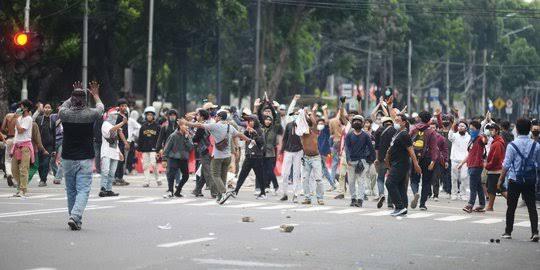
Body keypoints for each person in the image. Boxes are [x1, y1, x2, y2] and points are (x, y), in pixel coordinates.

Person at [181, 111, 254, 204]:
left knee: (215, 175)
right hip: (227, 156)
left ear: (219, 117)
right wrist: (250, 140)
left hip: (218, 156)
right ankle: (220, 197)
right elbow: (239, 134)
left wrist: (186, 123)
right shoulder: (229, 127)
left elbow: (199, 125)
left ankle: (224, 193)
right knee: (223, 177)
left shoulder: (215, 126)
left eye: (216, 116)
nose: (215, 117)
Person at [59, 81, 104, 230]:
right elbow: (101, 108)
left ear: (71, 99)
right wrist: (95, 95)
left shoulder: (64, 114)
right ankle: (75, 216)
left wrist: (74, 93)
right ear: (85, 100)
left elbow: (63, 106)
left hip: (67, 158)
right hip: (85, 157)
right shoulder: (90, 114)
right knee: (83, 189)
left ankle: (74, 217)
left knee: (71, 190)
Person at [498, 118, 539, 242]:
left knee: (511, 206)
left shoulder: (512, 145)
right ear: (529, 129)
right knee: (531, 207)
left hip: (515, 180)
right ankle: (534, 232)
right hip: (530, 180)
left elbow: (506, 165)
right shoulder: (536, 145)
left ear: (517, 129)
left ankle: (508, 231)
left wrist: (500, 180)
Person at [385, 114, 422, 216]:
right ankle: (403, 208)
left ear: (404, 123)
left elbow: (411, 150)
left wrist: (416, 164)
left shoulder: (404, 134)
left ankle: (399, 206)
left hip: (401, 164)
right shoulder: (398, 133)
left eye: (398, 121)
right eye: (395, 120)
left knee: (389, 182)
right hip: (395, 163)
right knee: (400, 186)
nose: (395, 122)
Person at [229, 115, 266, 199]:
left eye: (252, 121)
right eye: (249, 121)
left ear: (256, 121)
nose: (250, 123)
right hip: (248, 156)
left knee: (259, 175)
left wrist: (254, 133)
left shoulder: (260, 130)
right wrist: (246, 132)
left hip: (257, 157)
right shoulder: (248, 130)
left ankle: (263, 193)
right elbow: (242, 139)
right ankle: (236, 191)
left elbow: (261, 143)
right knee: (242, 174)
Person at [409, 111, 440, 211]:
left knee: (414, 179)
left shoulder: (413, 128)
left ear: (419, 118)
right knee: (426, 182)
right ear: (429, 120)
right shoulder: (431, 131)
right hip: (427, 159)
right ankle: (422, 204)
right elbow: (434, 148)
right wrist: (433, 161)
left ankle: (415, 193)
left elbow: (408, 142)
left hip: (415, 158)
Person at [345, 115, 375, 207]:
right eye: (355, 121)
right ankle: (353, 199)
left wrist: (370, 160)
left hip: (362, 161)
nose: (356, 122)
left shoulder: (366, 135)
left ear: (362, 123)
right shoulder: (349, 134)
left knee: (361, 181)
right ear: (352, 123)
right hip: (351, 161)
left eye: (359, 121)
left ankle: (360, 200)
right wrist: (348, 159)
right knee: (351, 181)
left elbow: (370, 148)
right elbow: (347, 148)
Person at [298, 105, 326, 205]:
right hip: (306, 158)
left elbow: (314, 122)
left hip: (315, 158)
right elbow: (300, 121)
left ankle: (320, 198)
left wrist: (309, 113)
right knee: (305, 179)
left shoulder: (314, 129)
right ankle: (307, 197)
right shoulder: (301, 131)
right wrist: (303, 114)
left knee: (318, 179)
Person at [460, 120, 488, 213]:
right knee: (479, 186)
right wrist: (462, 163)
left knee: (473, 187)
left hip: (477, 166)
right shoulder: (472, 139)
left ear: (477, 130)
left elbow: (485, 140)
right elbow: (469, 154)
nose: (471, 130)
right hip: (471, 165)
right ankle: (482, 205)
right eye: (470, 129)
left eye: (473, 129)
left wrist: (484, 135)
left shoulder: (480, 138)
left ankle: (470, 205)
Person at [162, 120, 193, 198]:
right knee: (171, 175)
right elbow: (167, 147)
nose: (186, 127)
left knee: (186, 176)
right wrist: (164, 159)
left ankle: (178, 191)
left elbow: (190, 147)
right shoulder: (173, 135)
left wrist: (186, 138)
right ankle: (170, 191)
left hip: (183, 158)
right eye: (184, 125)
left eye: (187, 125)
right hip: (173, 158)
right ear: (179, 126)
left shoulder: (188, 136)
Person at [99, 109, 126, 197]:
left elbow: (115, 141)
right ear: (109, 115)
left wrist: (120, 152)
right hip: (106, 151)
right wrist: (122, 123)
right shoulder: (105, 124)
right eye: (114, 115)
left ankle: (109, 189)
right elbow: (110, 131)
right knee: (105, 171)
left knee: (112, 172)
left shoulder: (115, 126)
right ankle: (103, 189)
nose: (116, 117)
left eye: (116, 115)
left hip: (114, 152)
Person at [257, 102, 282, 195]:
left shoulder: (274, 128)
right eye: (266, 120)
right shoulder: (261, 128)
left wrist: (274, 107)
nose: (267, 121)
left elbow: (277, 118)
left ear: (271, 121)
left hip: (271, 153)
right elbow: (259, 114)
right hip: (261, 152)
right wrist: (261, 105)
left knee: (270, 171)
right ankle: (265, 187)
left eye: (269, 120)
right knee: (263, 170)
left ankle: (276, 187)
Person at [11, 100, 35, 198]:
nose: (20, 107)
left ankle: (22, 190)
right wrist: (15, 117)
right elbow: (15, 129)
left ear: (26, 108)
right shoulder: (19, 117)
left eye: (21, 106)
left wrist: (16, 120)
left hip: (25, 146)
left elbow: (21, 130)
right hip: (16, 145)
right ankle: (20, 187)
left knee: (24, 169)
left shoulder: (29, 118)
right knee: (14, 169)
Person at [279, 110, 304, 203]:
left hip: (298, 151)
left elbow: (304, 139)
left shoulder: (303, 125)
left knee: (296, 174)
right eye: (294, 115)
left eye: (297, 114)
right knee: (285, 174)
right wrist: (282, 150)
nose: (295, 116)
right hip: (288, 151)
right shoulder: (289, 125)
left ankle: (295, 194)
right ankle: (284, 194)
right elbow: (285, 138)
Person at [373, 116, 396, 208]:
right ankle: (390, 203)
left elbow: (376, 147)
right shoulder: (395, 131)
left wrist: (377, 159)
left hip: (382, 159)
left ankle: (381, 194)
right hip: (392, 160)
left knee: (380, 178)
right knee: (391, 181)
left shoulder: (378, 131)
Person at [329, 97, 348, 199]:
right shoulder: (345, 122)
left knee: (335, 164)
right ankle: (342, 188)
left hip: (336, 143)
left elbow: (331, 133)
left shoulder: (332, 121)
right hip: (342, 146)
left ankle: (333, 182)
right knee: (342, 168)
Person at [191, 109, 213, 197]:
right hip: (211, 150)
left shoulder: (202, 126)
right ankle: (197, 190)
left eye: (198, 115)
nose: (197, 117)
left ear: (202, 116)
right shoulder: (209, 123)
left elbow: (195, 138)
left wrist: (190, 134)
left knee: (207, 172)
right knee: (204, 172)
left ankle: (214, 192)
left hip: (205, 150)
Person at [138, 106, 162, 188]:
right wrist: (139, 148)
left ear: (154, 116)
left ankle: (158, 179)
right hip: (145, 149)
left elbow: (160, 138)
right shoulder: (143, 127)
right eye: (148, 115)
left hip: (154, 149)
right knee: (145, 166)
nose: (149, 116)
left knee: (154, 164)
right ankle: (146, 181)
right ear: (146, 116)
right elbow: (140, 138)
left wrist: (159, 148)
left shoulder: (158, 127)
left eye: (151, 115)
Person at [484, 123, 506, 211]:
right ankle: (490, 206)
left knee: (499, 188)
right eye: (490, 130)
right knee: (492, 189)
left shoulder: (497, 143)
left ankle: (512, 202)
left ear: (497, 131)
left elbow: (496, 158)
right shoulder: (495, 141)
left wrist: (487, 166)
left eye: (492, 130)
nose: (490, 131)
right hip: (494, 170)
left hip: (495, 170)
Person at [35, 103, 57, 187]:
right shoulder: (39, 119)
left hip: (49, 146)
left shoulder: (53, 121)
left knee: (46, 162)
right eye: (46, 107)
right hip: (40, 144)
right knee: (40, 164)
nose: (47, 109)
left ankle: (43, 180)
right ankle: (42, 178)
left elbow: (54, 135)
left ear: (51, 110)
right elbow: (35, 131)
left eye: (49, 107)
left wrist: (54, 149)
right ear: (43, 109)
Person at [448, 121, 471, 200]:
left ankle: (463, 194)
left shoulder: (469, 137)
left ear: (466, 128)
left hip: (464, 160)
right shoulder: (454, 135)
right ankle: (454, 193)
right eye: (459, 126)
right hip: (455, 160)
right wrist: (452, 126)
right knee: (454, 178)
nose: (460, 127)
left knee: (464, 177)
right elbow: (450, 136)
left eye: (462, 126)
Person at [316, 106, 336, 191]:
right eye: (319, 123)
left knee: (323, 169)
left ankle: (332, 184)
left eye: (322, 123)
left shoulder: (326, 130)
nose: (320, 124)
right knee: (322, 169)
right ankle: (332, 184)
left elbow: (327, 122)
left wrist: (324, 110)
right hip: (316, 152)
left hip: (323, 151)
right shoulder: (316, 131)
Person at [113, 98, 131, 186]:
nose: (124, 107)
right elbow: (119, 131)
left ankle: (120, 177)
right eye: (122, 106)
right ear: (119, 107)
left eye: (125, 106)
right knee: (119, 160)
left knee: (122, 160)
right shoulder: (119, 117)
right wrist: (125, 142)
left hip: (123, 141)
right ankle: (116, 178)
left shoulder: (125, 116)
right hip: (119, 141)